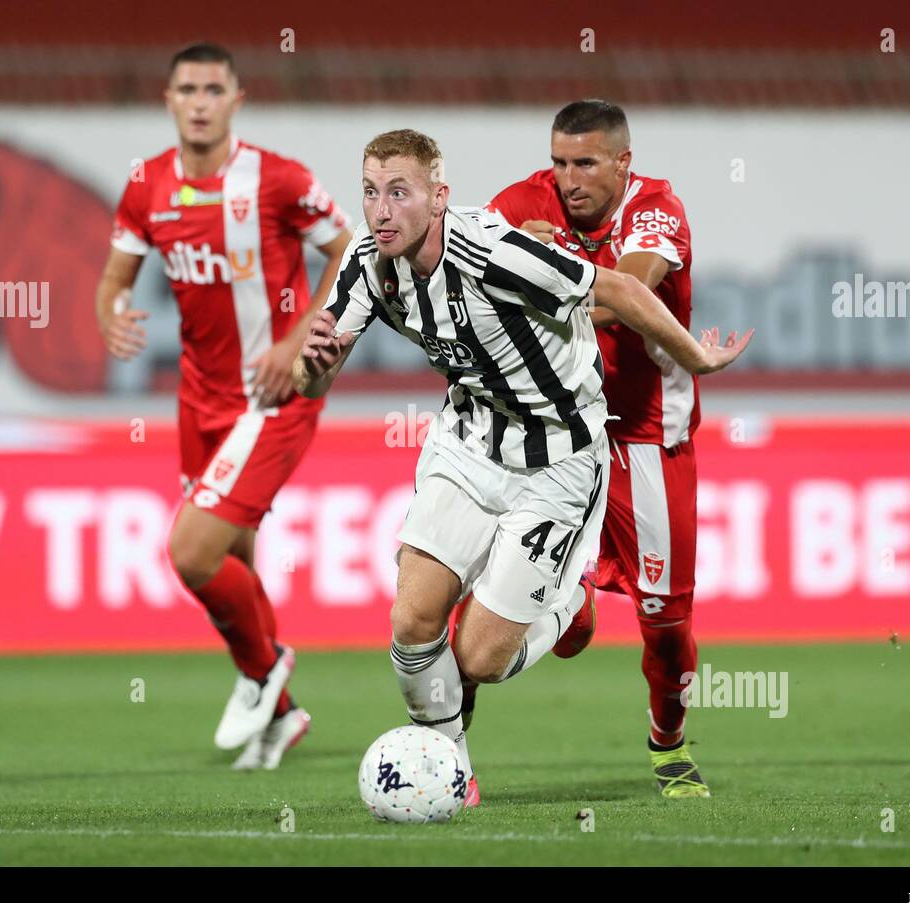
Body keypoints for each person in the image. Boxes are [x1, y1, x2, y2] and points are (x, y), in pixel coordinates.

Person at [293, 128, 750, 802]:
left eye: (399, 192)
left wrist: (697, 357)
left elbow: (618, 291)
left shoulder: (493, 252)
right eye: (369, 192)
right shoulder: (368, 263)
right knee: (414, 622)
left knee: (480, 658)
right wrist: (314, 366)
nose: (381, 210)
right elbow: (314, 382)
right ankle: (453, 772)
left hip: (558, 460)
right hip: (469, 443)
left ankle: (571, 606)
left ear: (438, 197)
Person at [95, 43, 352, 769]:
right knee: (234, 563)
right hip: (196, 403)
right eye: (188, 89)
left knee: (191, 552)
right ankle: (281, 713)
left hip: (273, 397)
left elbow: (348, 251)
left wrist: (296, 340)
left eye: (214, 88)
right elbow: (112, 280)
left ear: (237, 99)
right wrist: (109, 314)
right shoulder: (146, 185)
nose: (200, 101)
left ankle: (265, 670)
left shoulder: (277, 178)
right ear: (168, 99)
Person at [486, 99, 726, 797]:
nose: (568, 179)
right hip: (560, 437)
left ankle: (668, 743)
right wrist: (514, 262)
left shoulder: (658, 209)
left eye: (586, 163)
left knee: (666, 625)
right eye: (560, 162)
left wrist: (538, 267)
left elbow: (627, 291)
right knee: (546, 618)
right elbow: (468, 282)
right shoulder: (517, 202)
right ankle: (570, 600)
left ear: (624, 162)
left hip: (649, 441)